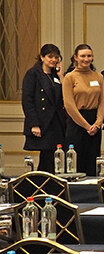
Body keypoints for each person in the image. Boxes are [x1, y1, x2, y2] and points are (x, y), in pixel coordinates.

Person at [61, 44, 104, 175]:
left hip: (95, 123)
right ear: (76, 57)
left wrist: (97, 124)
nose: (86, 59)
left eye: (89, 56)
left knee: (93, 159)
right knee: (76, 160)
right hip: (76, 122)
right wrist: (87, 126)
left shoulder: (99, 77)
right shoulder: (69, 77)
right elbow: (69, 105)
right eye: (83, 56)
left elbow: (102, 102)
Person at [22, 44, 65, 173]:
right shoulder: (33, 74)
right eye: (50, 56)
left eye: (56, 57)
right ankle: (42, 185)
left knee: (53, 156)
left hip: (56, 122)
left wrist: (61, 75)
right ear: (42, 57)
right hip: (42, 122)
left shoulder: (56, 75)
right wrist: (34, 124)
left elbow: (63, 96)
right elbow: (27, 100)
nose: (53, 60)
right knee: (46, 156)